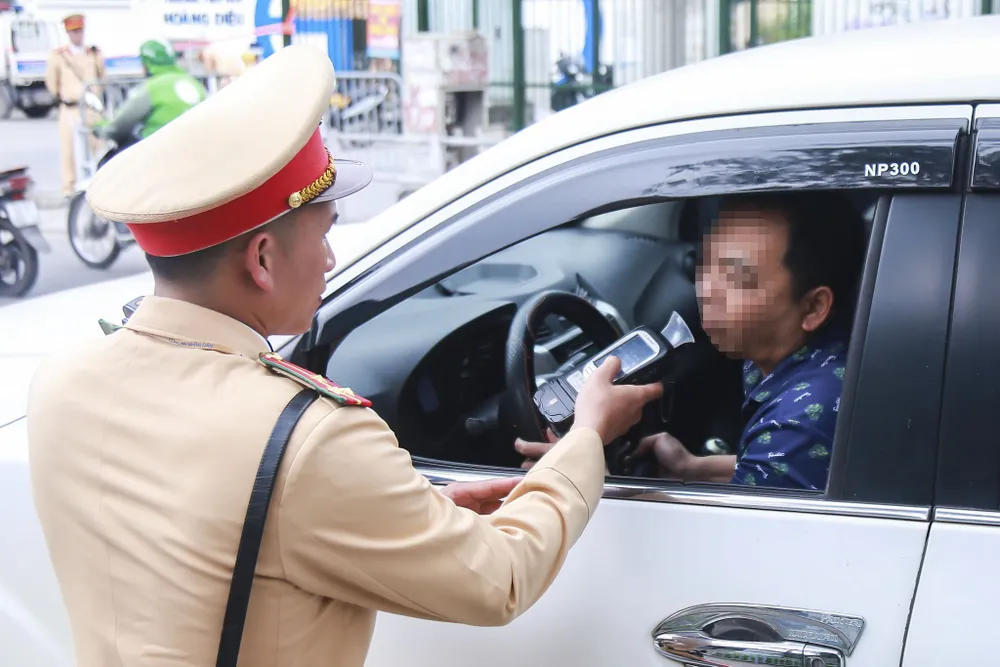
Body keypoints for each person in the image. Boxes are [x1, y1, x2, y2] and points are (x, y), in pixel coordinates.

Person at [26, 44, 664, 667]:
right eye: (325, 233)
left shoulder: (61, 381)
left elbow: (198, 540)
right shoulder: (306, 439)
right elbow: (499, 578)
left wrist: (402, 508)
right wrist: (586, 435)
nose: (331, 260)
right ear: (264, 260)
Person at [518, 192, 866, 491]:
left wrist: (579, 472)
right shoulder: (787, 357)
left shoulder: (802, 420)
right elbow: (770, 470)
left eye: (737, 277)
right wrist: (694, 468)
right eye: (708, 264)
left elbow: (735, 542)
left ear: (814, 306)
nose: (708, 290)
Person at [91, 39, 207, 147]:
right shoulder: (194, 83)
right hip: (196, 145)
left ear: (146, 63)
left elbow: (121, 122)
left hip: (159, 149)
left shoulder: (152, 87)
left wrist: (101, 128)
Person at [45, 13, 105, 197]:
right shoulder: (59, 56)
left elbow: (102, 77)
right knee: (68, 149)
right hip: (70, 107)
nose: (77, 35)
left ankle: (102, 185)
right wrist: (62, 96)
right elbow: (51, 82)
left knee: (100, 148)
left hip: (90, 108)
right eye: (74, 32)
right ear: (68, 33)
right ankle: (68, 188)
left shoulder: (93, 54)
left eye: (79, 31)